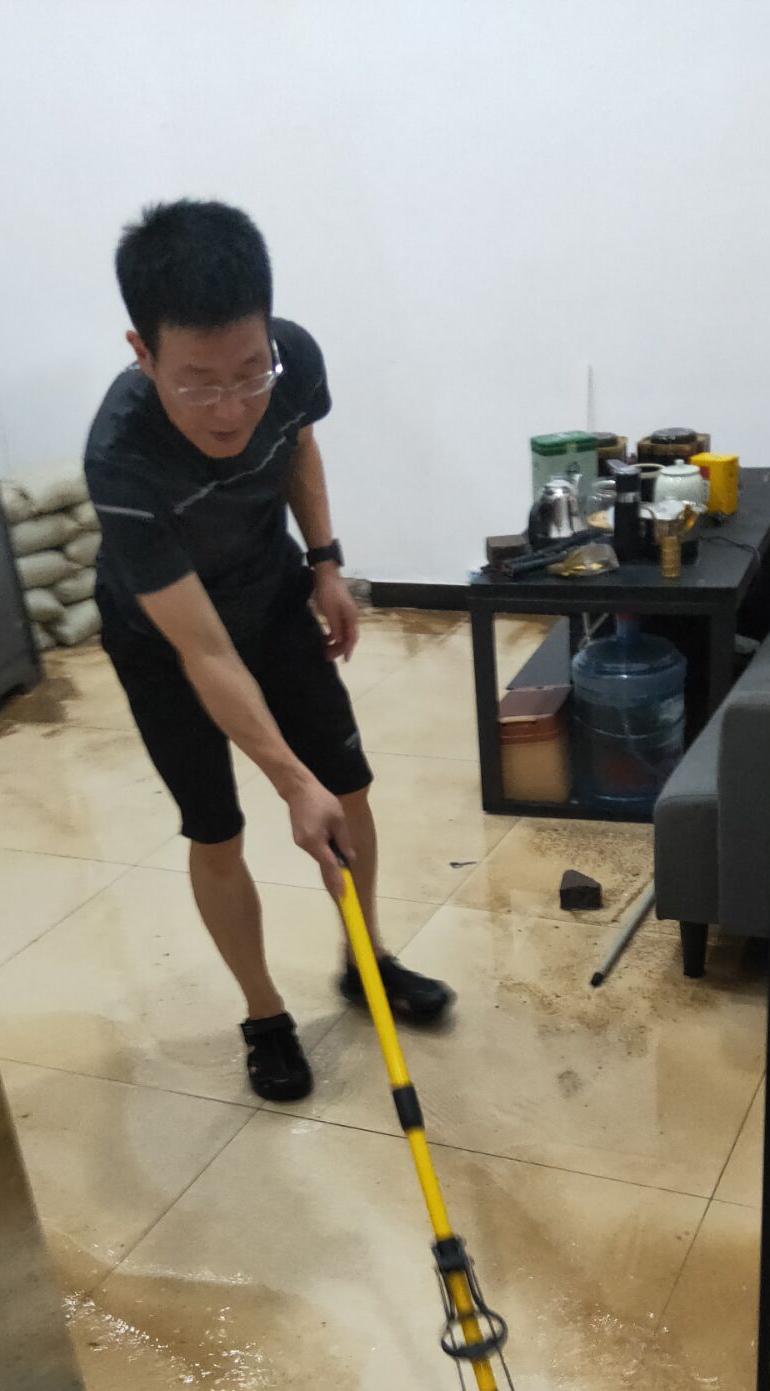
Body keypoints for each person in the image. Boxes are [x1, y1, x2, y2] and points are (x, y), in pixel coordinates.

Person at [84, 199, 452, 1102]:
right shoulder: (121, 459)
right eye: (198, 383)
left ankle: (365, 962)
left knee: (348, 789)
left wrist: (325, 562)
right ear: (143, 354)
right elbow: (206, 653)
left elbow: (297, 444)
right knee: (218, 829)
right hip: (167, 641)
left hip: (272, 592)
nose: (232, 407)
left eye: (250, 373)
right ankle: (264, 1014)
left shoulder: (293, 360)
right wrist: (288, 780)